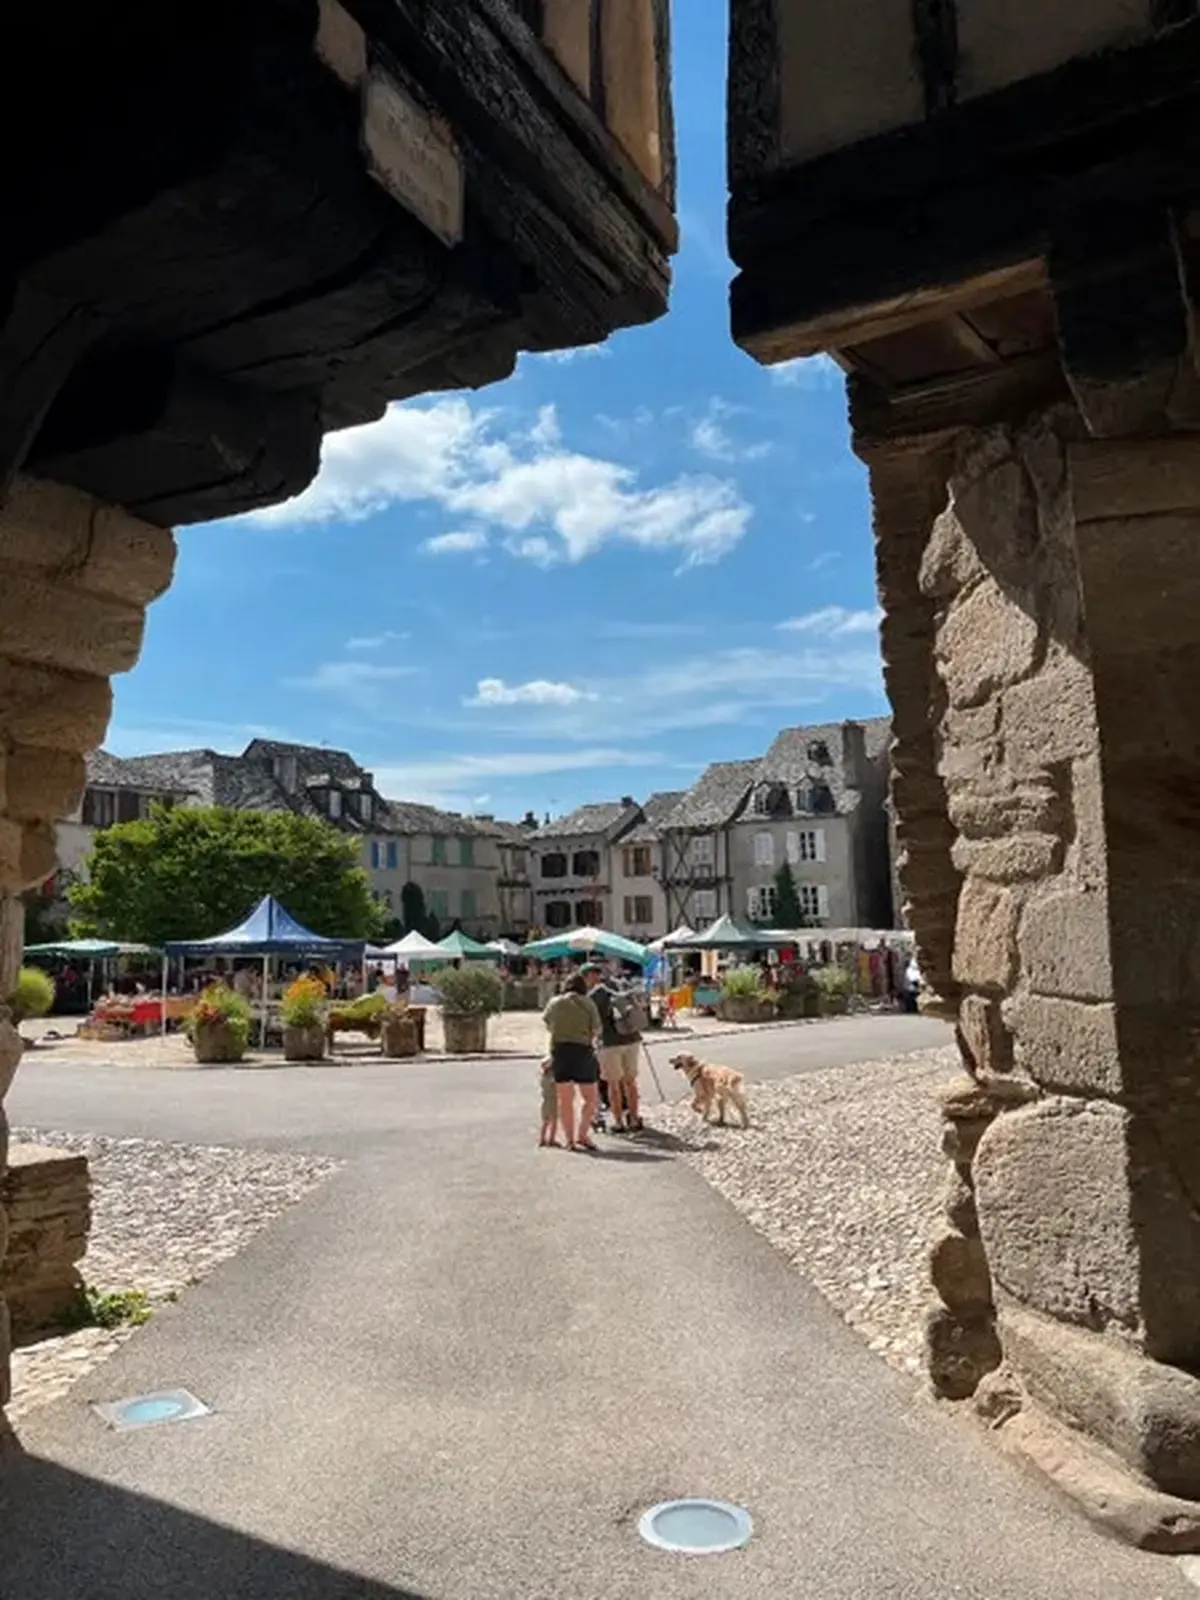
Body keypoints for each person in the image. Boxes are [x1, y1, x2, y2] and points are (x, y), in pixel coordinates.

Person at [542, 972, 601, 1151]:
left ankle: (569, 1140)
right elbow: (596, 1029)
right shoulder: (588, 1003)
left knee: (565, 1100)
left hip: (560, 1051)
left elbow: (547, 1023)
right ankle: (582, 1134)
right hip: (583, 1051)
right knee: (590, 1098)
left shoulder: (554, 1003)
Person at [584, 963, 645, 1134]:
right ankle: (634, 1119)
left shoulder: (595, 994)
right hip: (632, 1039)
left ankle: (618, 1123)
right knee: (630, 1081)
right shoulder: (624, 985)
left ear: (589, 976)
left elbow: (592, 1022)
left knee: (613, 1084)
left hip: (610, 1042)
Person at [537, 1055, 559, 1148]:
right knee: (554, 1120)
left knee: (545, 1121)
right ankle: (551, 1139)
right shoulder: (552, 1077)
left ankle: (542, 1139)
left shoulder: (543, 1077)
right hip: (553, 1099)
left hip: (545, 1101)